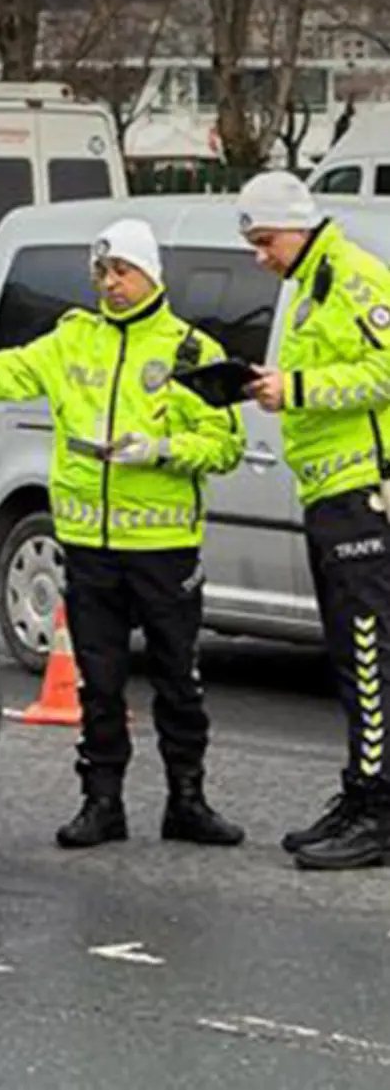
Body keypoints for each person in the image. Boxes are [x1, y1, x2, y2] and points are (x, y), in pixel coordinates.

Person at [0, 218, 246, 849]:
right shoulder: (74, 340)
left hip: (163, 547)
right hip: (89, 544)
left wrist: (158, 450)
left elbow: (226, 445)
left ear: (151, 274)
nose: (111, 284)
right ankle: (102, 803)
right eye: (102, 272)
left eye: (122, 271)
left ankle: (188, 800)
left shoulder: (189, 351)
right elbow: (11, 371)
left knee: (179, 679)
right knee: (99, 680)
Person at [238, 171, 390, 870]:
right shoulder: (310, 282)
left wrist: (294, 387)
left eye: (265, 240)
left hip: (367, 491)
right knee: (349, 653)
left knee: (368, 653)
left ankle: (380, 809)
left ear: (296, 225)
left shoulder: (352, 276)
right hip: (331, 490)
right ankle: (362, 791)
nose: (260, 256)